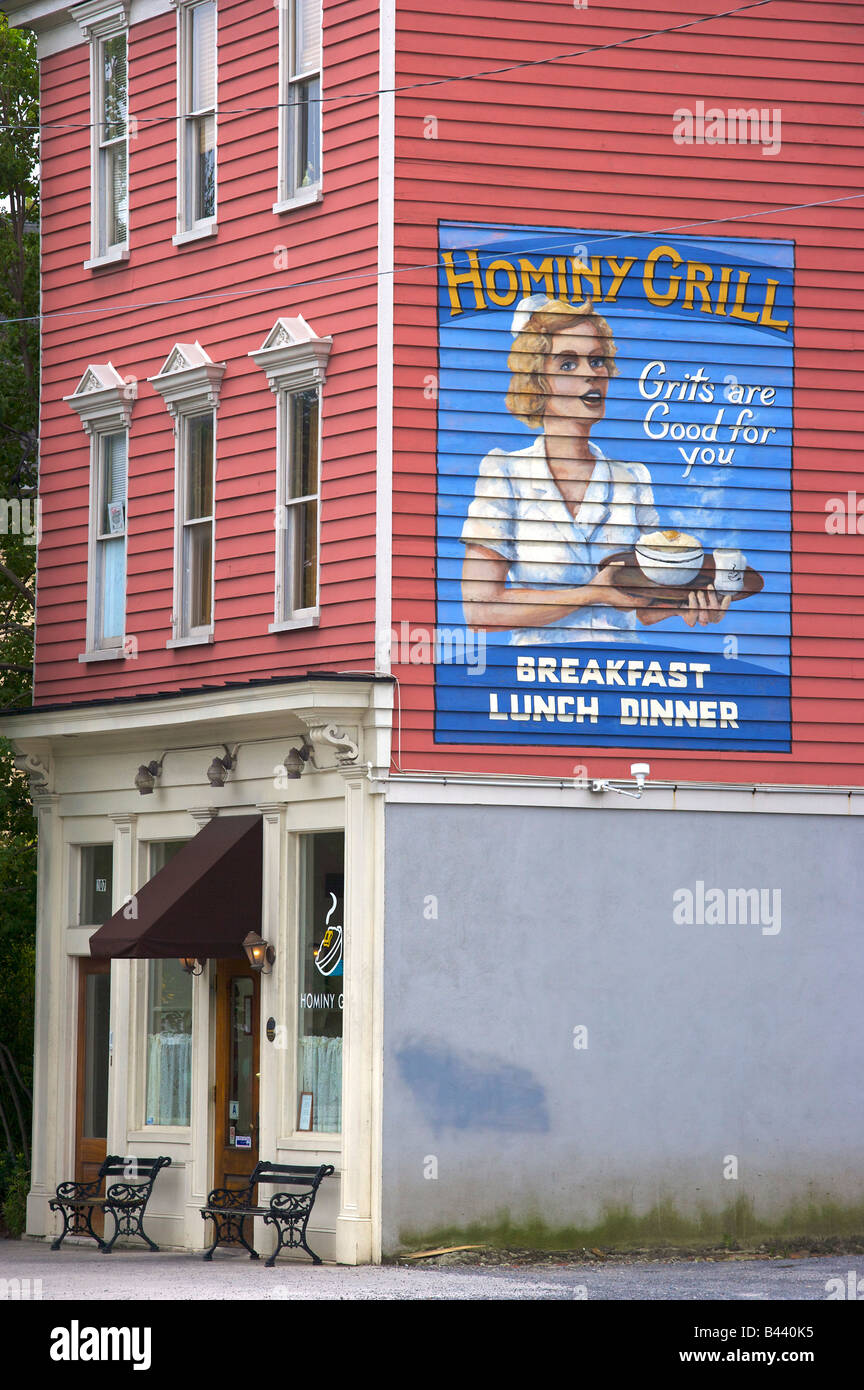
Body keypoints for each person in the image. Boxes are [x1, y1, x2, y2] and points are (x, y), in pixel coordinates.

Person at [460, 295, 730, 642]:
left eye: (597, 361)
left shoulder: (631, 480)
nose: (591, 373)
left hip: (623, 679)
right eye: (569, 364)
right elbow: (480, 610)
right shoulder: (505, 475)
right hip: (532, 681)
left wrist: (686, 605)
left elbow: (642, 603)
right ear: (537, 379)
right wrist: (591, 593)